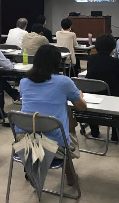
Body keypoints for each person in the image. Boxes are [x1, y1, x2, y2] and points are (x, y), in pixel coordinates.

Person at [17, 44, 87, 186]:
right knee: (67, 124)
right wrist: (79, 95)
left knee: (54, 118)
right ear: (57, 63)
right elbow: (82, 107)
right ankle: (71, 177)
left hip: (24, 142)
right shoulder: (64, 82)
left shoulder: (24, 82)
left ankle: (32, 169)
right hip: (53, 145)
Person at [86, 34, 119, 141]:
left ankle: (94, 131)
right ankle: (115, 134)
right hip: (112, 99)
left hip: (94, 98)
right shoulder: (115, 62)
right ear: (113, 48)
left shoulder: (91, 59)